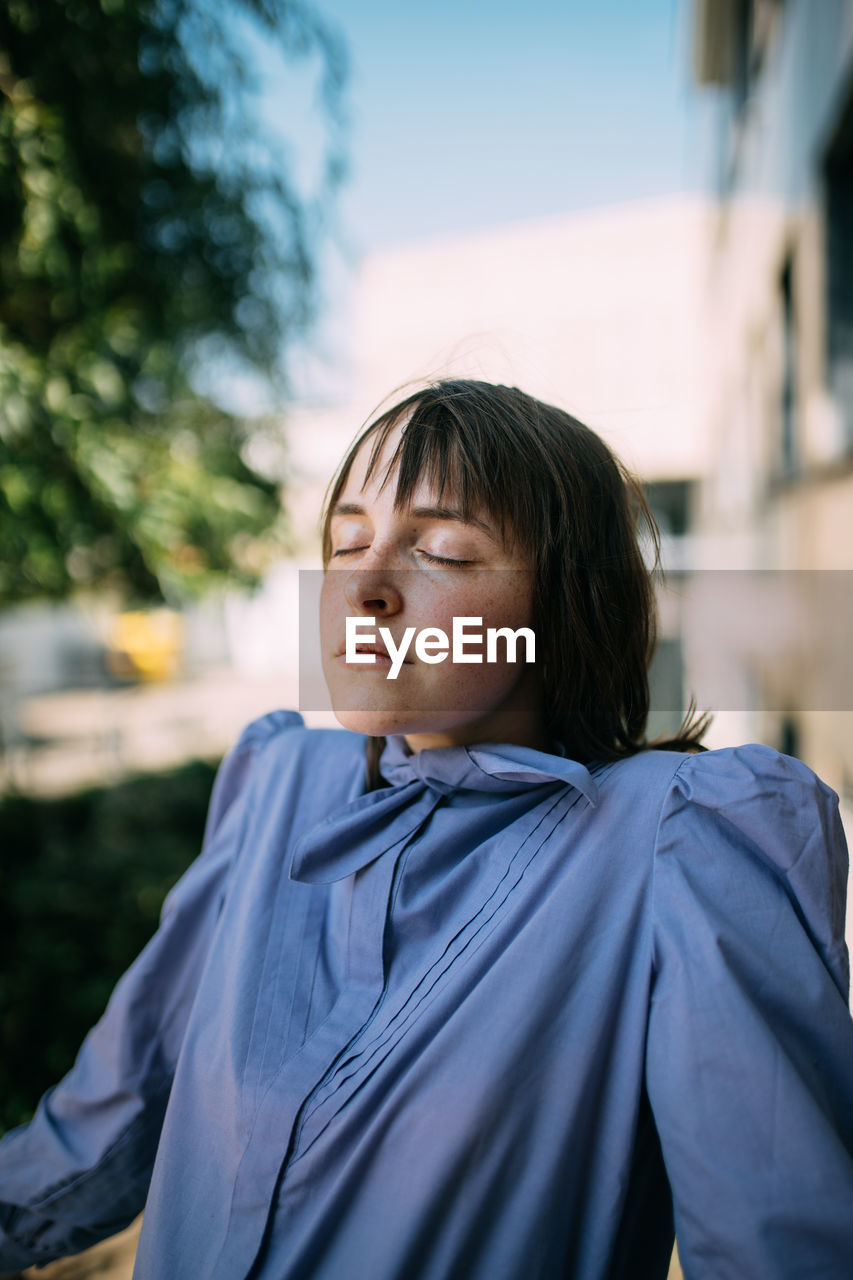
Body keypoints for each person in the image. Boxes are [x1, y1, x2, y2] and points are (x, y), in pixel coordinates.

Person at [1, 379, 852, 1279]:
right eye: (346, 542)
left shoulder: (683, 837)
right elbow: (108, 1120)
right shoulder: (277, 785)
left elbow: (779, 1249)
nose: (365, 587)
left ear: (560, 609)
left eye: (442, 552)